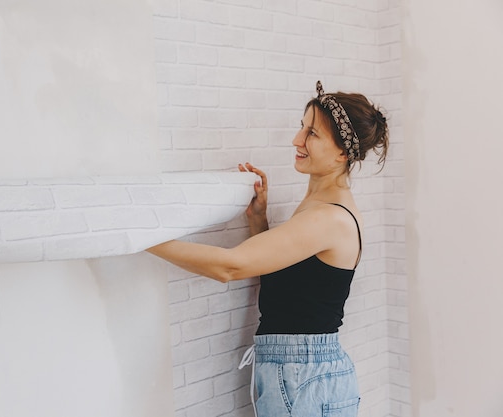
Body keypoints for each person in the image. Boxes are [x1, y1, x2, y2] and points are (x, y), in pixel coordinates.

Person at [146, 81, 389, 417]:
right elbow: (289, 285)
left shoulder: (329, 217)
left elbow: (229, 267)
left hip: (303, 376)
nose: (296, 140)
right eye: (301, 127)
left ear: (343, 153)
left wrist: (144, 237)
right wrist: (259, 220)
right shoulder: (319, 205)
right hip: (303, 373)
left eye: (312, 134)